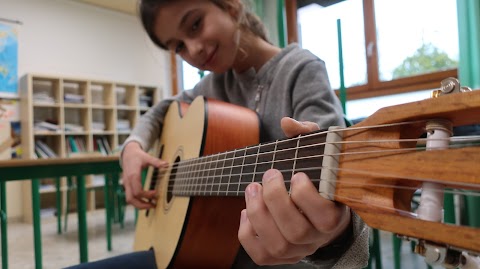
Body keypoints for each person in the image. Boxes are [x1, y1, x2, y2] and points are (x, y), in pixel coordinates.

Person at [66, 0, 369, 268]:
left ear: (230, 5)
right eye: (179, 46)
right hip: (198, 251)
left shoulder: (301, 69)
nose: (193, 49)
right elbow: (161, 110)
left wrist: (335, 230)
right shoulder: (210, 87)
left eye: (195, 24)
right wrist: (132, 146)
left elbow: (336, 181)